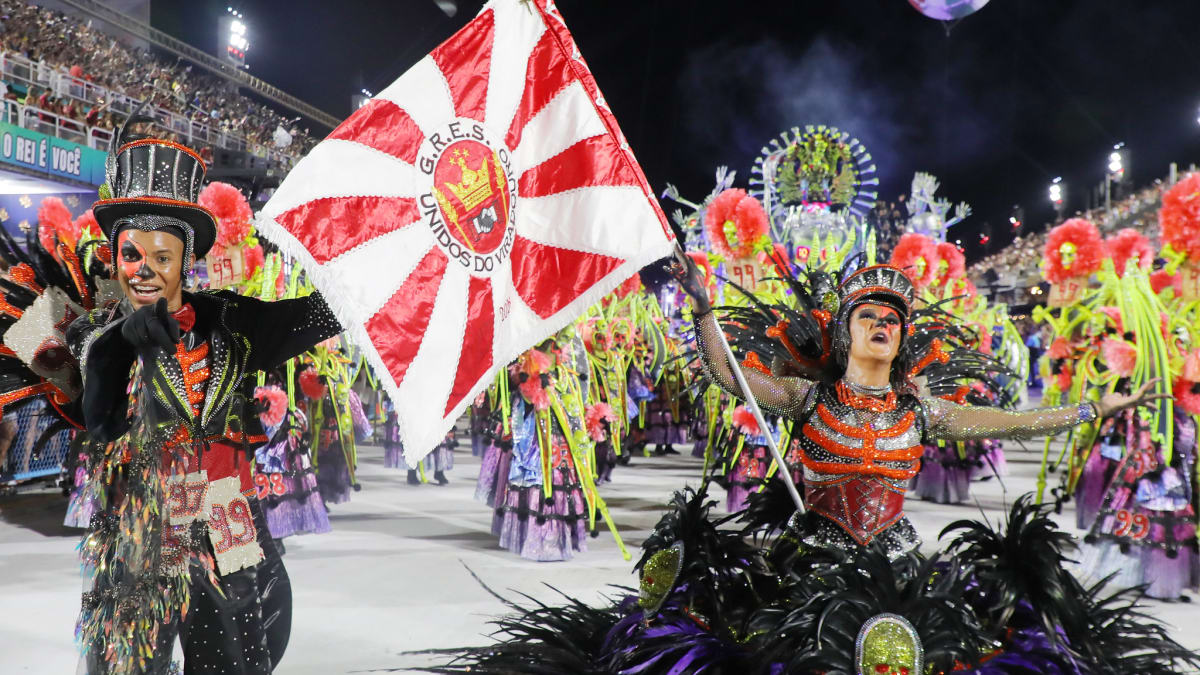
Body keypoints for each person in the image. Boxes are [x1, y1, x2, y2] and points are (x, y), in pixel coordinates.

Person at [70, 118, 341, 674]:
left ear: (185, 260)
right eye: (131, 255)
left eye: (161, 258)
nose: (143, 271)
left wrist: (381, 269)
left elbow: (319, 314)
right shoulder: (94, 332)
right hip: (140, 533)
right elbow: (97, 411)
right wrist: (125, 339)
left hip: (228, 523)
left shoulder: (231, 321)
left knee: (236, 661)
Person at [676, 256, 1164, 557]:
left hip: (894, 566)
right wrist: (702, 308)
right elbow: (727, 373)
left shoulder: (922, 413)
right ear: (845, 332)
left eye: (891, 319)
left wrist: (1095, 409)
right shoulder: (807, 397)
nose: (880, 324)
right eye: (866, 316)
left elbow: (1018, 422)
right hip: (811, 562)